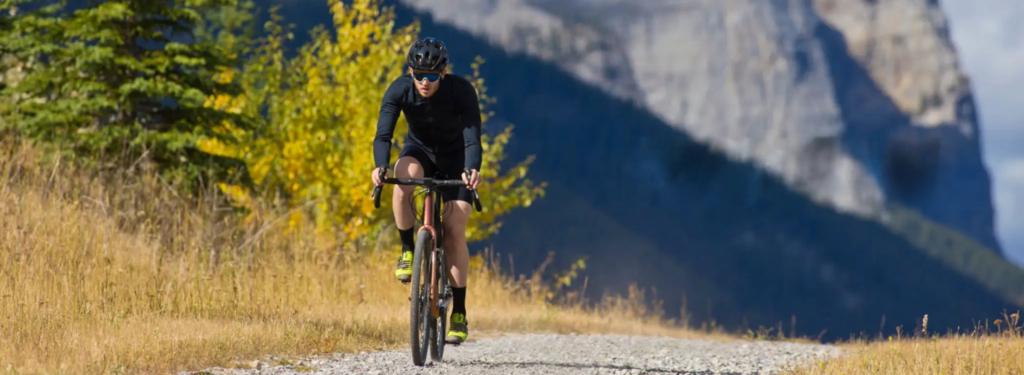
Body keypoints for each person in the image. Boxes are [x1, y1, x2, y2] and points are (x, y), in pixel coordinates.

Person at [371, 37, 481, 345]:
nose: (424, 81)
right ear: (410, 71)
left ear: (443, 74)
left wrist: (473, 170)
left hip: (455, 157)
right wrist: (380, 167)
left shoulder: (462, 91)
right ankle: (408, 249)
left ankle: (458, 313)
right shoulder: (399, 89)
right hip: (418, 152)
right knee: (402, 177)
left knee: (455, 229)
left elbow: (473, 139)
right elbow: (383, 135)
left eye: (431, 76)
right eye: (418, 74)